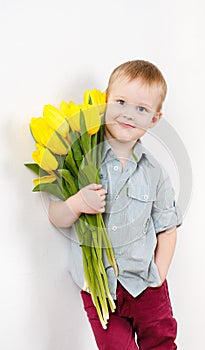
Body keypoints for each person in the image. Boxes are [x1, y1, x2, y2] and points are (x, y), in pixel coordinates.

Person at [48, 60, 182, 349]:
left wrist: (159, 276)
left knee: (161, 342)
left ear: (155, 120)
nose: (129, 115)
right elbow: (56, 216)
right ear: (106, 99)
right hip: (98, 290)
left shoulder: (156, 173)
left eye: (142, 109)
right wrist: (77, 202)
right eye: (121, 101)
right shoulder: (80, 158)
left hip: (145, 285)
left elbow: (167, 228)